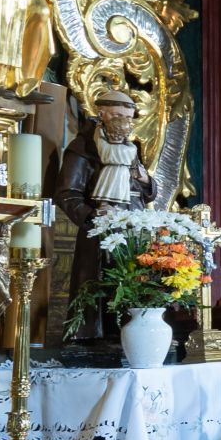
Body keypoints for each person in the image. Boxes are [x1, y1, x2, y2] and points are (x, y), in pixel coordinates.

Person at [54, 88, 158, 342]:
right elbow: (67, 193)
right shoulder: (83, 148)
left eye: (128, 118)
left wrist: (146, 181)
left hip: (134, 228)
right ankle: (98, 338)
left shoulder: (131, 149)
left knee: (134, 283)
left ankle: (132, 336)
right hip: (101, 230)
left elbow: (145, 192)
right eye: (117, 116)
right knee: (100, 284)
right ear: (101, 114)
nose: (124, 123)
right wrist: (94, 216)